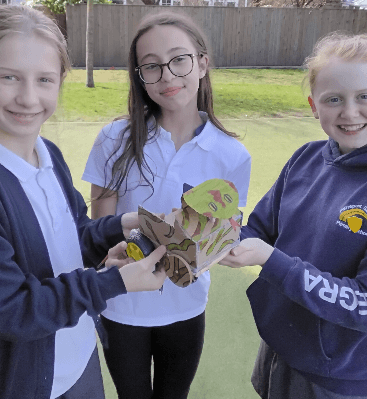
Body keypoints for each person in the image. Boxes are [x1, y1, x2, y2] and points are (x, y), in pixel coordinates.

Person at [0, 5, 167, 399]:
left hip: (76, 360)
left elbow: (74, 235)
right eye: (9, 77)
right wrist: (111, 283)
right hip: (14, 383)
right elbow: (8, 308)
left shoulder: (47, 152)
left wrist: (124, 224)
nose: (28, 97)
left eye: (45, 80)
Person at [220, 32, 367, 399]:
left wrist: (270, 260)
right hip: (281, 348)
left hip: (344, 375)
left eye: (365, 96)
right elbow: (258, 229)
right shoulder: (306, 158)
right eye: (333, 99)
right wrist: (214, 236)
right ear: (314, 105)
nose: (349, 112)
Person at [82, 11, 251, 399]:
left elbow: (222, 232)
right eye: (151, 67)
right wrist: (127, 253)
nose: (168, 76)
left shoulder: (232, 154)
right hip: (122, 305)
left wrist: (208, 246)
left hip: (186, 307)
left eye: (179, 60)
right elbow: (100, 230)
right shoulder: (114, 139)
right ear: (139, 77)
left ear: (202, 63)